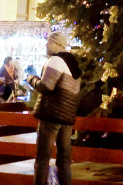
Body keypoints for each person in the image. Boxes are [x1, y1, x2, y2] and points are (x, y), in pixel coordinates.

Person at [28, 31, 82, 185]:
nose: (46, 45)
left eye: (49, 41)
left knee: (42, 159)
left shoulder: (56, 60)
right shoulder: (73, 62)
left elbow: (46, 86)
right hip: (67, 118)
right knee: (64, 160)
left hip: (51, 115)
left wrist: (32, 79)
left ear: (57, 44)